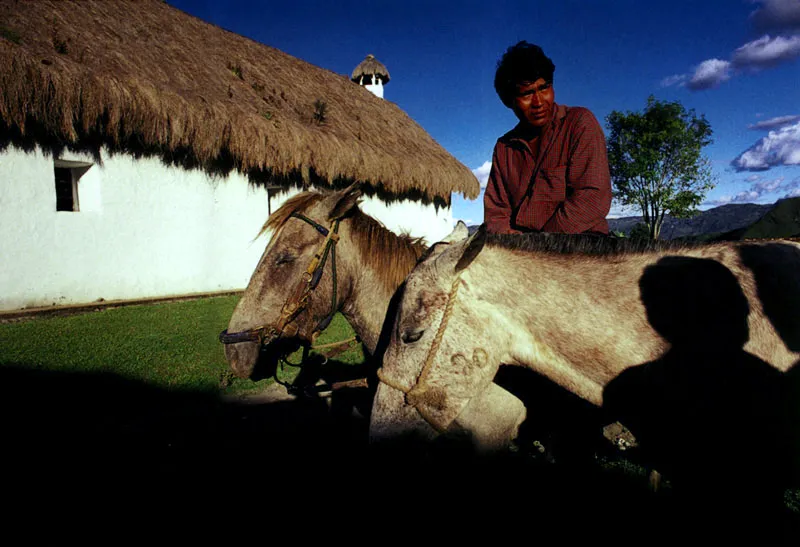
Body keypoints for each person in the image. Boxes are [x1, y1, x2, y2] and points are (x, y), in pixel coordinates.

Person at [484, 41, 612, 235]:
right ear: (509, 101)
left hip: (582, 247)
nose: (539, 102)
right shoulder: (504, 148)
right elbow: (496, 214)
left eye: (544, 88)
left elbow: (592, 198)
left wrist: (541, 246)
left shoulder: (579, 123)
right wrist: (512, 241)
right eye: (527, 94)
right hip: (523, 252)